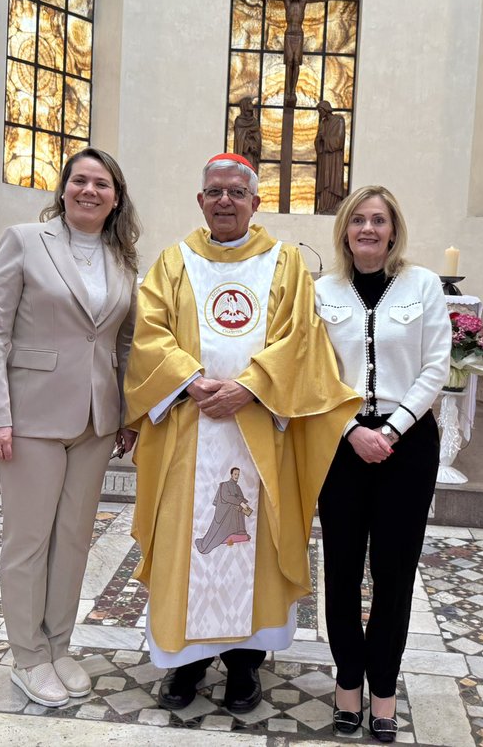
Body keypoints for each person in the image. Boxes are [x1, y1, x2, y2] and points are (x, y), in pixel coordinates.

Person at [124, 153, 360, 714]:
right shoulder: (173, 261)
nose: (225, 201)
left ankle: (244, 664)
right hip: (189, 428)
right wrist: (190, 381)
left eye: (236, 192)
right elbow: (150, 333)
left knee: (255, 544)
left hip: (259, 432)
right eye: (215, 191)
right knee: (185, 540)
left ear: (255, 202)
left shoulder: (284, 263)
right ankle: (185, 663)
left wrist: (250, 387)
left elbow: (301, 339)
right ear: (201, 201)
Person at [0, 148, 141, 708]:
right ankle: (28, 656)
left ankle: (58, 645)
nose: (89, 190)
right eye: (80, 180)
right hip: (31, 416)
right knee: (28, 540)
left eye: (102, 183)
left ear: (116, 198)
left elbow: (122, 345)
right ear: (64, 188)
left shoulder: (122, 260)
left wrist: (126, 413)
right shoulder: (25, 241)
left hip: (96, 420)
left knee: (72, 539)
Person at [312, 185, 450, 742]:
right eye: (358, 220)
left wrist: (390, 430)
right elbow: (315, 372)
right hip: (341, 444)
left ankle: (385, 688)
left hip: (407, 445)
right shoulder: (323, 291)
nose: (367, 229)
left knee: (394, 574)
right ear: (345, 230)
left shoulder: (423, 285)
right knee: (341, 570)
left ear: (393, 231)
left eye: (378, 220)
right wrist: (352, 430)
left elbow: (436, 365)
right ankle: (348, 682)